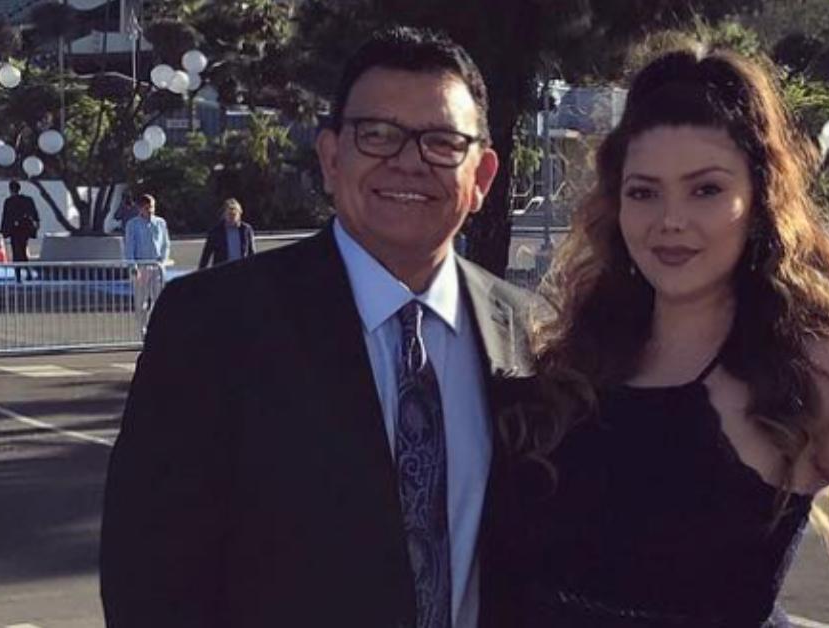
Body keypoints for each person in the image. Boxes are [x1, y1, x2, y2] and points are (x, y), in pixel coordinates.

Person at [488, 48, 829, 627]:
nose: (670, 219)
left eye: (705, 190)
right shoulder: (577, 353)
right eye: (644, 192)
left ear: (760, 199)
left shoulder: (813, 371)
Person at [100, 27, 537, 628]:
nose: (409, 162)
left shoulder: (532, 334)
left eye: (441, 142)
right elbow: (150, 579)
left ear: (482, 177)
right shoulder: (213, 327)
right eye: (377, 135)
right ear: (332, 158)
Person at [122, 194, 170, 333]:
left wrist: (163, 260)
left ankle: (157, 328)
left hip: (157, 266)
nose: (151, 211)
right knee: (141, 301)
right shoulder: (132, 224)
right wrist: (132, 265)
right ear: (140, 208)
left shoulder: (160, 222)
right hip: (141, 266)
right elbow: (129, 246)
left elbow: (165, 243)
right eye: (147, 208)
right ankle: (142, 329)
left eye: (152, 207)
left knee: (159, 300)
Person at [197, 198, 256, 269]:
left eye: (234, 214)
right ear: (224, 214)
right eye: (229, 214)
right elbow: (206, 256)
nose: (231, 217)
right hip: (222, 273)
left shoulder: (246, 230)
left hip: (242, 271)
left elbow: (252, 254)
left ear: (239, 214)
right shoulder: (215, 231)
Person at [0, 180, 40, 280]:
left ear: (10, 189)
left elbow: (6, 216)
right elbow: (34, 212)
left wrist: (3, 230)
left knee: (16, 252)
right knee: (22, 250)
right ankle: (27, 273)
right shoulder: (27, 200)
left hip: (14, 230)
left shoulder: (9, 202)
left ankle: (18, 275)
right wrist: (36, 223)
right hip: (25, 229)